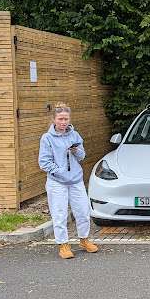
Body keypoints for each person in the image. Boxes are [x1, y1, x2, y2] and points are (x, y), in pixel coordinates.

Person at [38, 102, 99, 259]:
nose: (63, 122)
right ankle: (63, 245)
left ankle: (84, 240)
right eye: (60, 119)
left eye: (66, 119)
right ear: (54, 120)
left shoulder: (75, 135)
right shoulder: (47, 138)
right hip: (57, 182)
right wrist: (61, 172)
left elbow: (82, 156)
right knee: (60, 214)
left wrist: (76, 150)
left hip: (76, 180)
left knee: (83, 212)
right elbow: (44, 162)